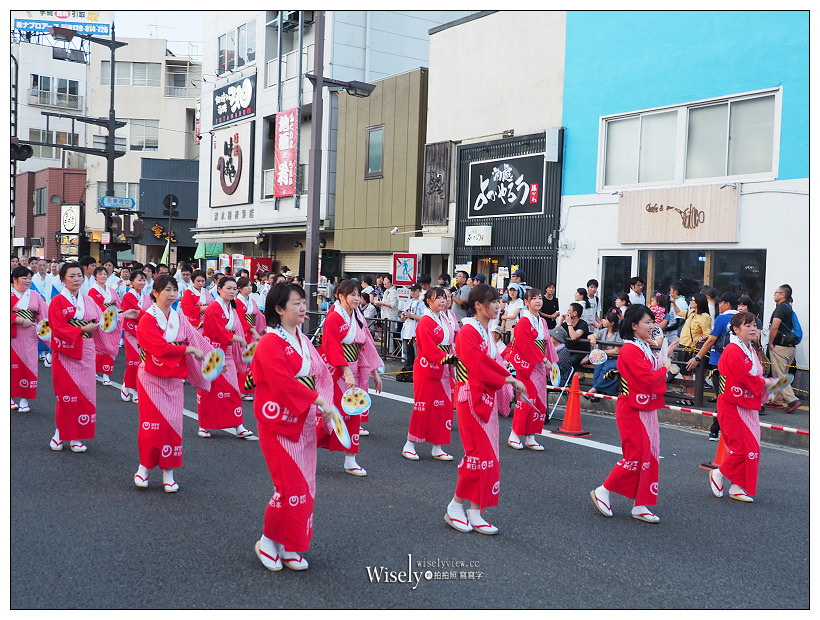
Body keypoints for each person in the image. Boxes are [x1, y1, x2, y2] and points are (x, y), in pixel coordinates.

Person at [251, 282, 336, 572]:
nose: (303, 308)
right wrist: (318, 401)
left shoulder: (302, 338)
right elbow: (282, 383)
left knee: (305, 486)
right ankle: (268, 540)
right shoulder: (270, 342)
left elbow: (321, 373)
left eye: (303, 302)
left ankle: (290, 543)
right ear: (279, 308)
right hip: (278, 422)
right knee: (289, 487)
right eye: (296, 303)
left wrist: (328, 406)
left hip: (303, 421)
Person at [445, 284, 526, 535]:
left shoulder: (485, 330)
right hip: (471, 395)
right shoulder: (468, 331)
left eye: (498, 301)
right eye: (492, 301)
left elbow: (493, 361)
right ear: (478, 304)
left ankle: (475, 510)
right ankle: (456, 505)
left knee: (488, 456)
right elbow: (479, 365)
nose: (498, 305)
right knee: (478, 454)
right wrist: (509, 380)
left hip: (484, 395)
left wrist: (509, 376)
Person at [590, 304, 674, 524]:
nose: (652, 326)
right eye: (647, 322)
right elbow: (646, 379)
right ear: (634, 325)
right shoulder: (630, 348)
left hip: (644, 406)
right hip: (632, 407)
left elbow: (649, 373)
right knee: (636, 455)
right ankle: (604, 490)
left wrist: (665, 355)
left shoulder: (642, 346)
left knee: (649, 454)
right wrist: (665, 367)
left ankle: (641, 503)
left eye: (652, 322)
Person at [133, 275, 212, 493]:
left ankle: (169, 471)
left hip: (174, 376)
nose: (171, 294)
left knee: (173, 424)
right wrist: (186, 350)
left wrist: (213, 360)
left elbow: (197, 340)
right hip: (151, 376)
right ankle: (144, 468)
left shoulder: (179, 317)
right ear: (155, 293)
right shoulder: (148, 318)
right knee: (151, 426)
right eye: (166, 290)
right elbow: (157, 347)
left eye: (174, 290)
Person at [707, 311, 783, 504]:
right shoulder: (733, 350)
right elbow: (743, 378)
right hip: (733, 404)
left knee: (752, 448)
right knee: (742, 448)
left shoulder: (749, 349)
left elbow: (753, 378)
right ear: (735, 329)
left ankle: (737, 486)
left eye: (754, 325)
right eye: (747, 325)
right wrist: (766, 384)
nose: (753, 329)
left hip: (746, 404)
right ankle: (719, 473)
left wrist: (767, 385)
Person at [316, 279, 383, 475]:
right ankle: (305, 448)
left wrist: (375, 372)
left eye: (358, 294)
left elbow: (367, 344)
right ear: (340, 296)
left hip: (354, 368)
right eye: (352, 294)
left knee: (353, 413)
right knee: (330, 413)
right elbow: (333, 346)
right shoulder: (334, 318)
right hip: (336, 371)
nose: (356, 298)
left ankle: (351, 460)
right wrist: (345, 371)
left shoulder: (357, 316)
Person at [48, 262, 115, 453]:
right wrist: (81, 328)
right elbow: (58, 327)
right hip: (65, 352)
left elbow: (101, 319)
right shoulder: (57, 301)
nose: (77, 279)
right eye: (71, 276)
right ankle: (60, 433)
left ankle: (76, 436)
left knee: (84, 394)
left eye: (79, 276)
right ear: (62, 279)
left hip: (86, 349)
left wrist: (121, 314)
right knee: (67, 395)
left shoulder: (87, 300)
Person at [403, 287, 457, 461]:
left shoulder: (446, 318)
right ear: (429, 301)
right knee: (422, 407)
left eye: (444, 298)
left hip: (444, 367)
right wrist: (447, 358)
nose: (442, 301)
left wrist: (451, 357)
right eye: (438, 298)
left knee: (443, 408)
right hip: (428, 368)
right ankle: (409, 444)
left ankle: (437, 446)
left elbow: (451, 342)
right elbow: (427, 348)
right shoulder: (426, 321)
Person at [197, 276, 255, 439]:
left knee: (232, 389)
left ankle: (238, 425)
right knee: (208, 390)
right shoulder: (214, 308)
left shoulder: (233, 308)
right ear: (219, 289)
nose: (232, 291)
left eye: (234, 289)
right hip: (212, 352)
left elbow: (242, 323)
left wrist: (251, 333)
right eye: (228, 288)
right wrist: (238, 339)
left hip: (227, 352)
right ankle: (204, 425)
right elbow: (217, 331)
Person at [505, 288, 558, 450]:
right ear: (526, 302)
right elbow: (525, 344)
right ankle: (515, 433)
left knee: (540, 400)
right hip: (527, 366)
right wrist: (543, 359)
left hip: (539, 365)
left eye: (540, 298)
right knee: (526, 399)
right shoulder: (524, 321)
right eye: (533, 298)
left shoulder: (541, 321)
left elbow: (547, 342)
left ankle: (531, 435)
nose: (538, 301)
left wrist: (551, 361)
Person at [685, 292, 739, 440]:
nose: (718, 306)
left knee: (722, 397)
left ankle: (716, 429)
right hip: (739, 364)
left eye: (720, 303)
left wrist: (697, 357)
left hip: (720, 363)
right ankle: (726, 429)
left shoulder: (722, 319)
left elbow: (710, 341)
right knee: (734, 396)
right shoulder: (744, 318)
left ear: (727, 304)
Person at [11, 266, 49, 413]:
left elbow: (44, 315)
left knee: (29, 366)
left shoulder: (34, 295)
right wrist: (19, 320)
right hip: (12, 336)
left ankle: (24, 399)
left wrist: (47, 330)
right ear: (14, 279)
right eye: (24, 278)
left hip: (30, 336)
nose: (28, 281)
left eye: (29, 278)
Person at [766, 285, 801, 413]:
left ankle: (792, 400)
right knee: (783, 373)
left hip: (780, 347)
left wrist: (770, 342)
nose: (774, 294)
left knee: (779, 375)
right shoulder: (788, 308)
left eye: (776, 292)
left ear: (783, 295)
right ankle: (777, 401)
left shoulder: (780, 308)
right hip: (790, 347)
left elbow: (775, 327)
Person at [120, 270, 153, 402]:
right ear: (132, 282)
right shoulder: (128, 296)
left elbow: (147, 312)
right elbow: (133, 314)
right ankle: (133, 389)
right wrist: (145, 315)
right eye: (139, 280)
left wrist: (144, 315)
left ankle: (130, 385)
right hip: (132, 332)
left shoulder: (146, 297)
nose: (142, 282)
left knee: (142, 362)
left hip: (144, 333)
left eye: (143, 280)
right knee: (133, 361)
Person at [87, 266, 121, 386]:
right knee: (100, 347)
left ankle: (107, 374)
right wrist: (108, 312)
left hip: (113, 319)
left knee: (111, 347)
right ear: (95, 276)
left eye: (105, 274)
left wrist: (116, 313)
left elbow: (117, 303)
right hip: (101, 320)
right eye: (100, 274)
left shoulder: (111, 290)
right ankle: (95, 370)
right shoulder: (92, 291)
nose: (103, 276)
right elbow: (95, 305)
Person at [235, 276, 265, 401]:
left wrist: (262, 330)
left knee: (250, 362)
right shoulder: (236, 302)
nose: (249, 288)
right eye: (247, 286)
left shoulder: (251, 301)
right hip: (243, 333)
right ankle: (241, 390)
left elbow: (258, 316)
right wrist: (253, 331)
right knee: (243, 362)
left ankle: (246, 388)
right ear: (240, 289)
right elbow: (241, 320)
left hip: (252, 333)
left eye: (250, 285)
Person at [585, 309, 623, 400]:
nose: (603, 321)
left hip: (614, 358)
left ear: (612, 322)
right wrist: (592, 338)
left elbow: (616, 351)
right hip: (603, 357)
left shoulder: (618, 333)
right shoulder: (604, 331)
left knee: (607, 369)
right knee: (597, 369)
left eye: (606, 320)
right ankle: (597, 392)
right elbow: (591, 335)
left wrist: (602, 352)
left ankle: (593, 390)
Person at [399, 283, 425, 375]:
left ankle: (416, 371)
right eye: (411, 290)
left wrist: (411, 316)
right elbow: (402, 317)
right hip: (407, 330)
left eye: (415, 290)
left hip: (415, 331)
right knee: (407, 352)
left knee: (416, 353)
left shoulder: (422, 303)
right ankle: (408, 370)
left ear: (419, 291)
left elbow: (423, 318)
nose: (412, 292)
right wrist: (404, 316)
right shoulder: (408, 302)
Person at [556, 302, 591, 368]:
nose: (567, 312)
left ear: (575, 313)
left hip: (580, 352)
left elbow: (574, 337)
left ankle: (567, 377)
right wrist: (560, 320)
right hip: (567, 350)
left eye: (569, 310)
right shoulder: (566, 324)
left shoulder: (583, 324)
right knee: (557, 360)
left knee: (570, 361)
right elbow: (555, 333)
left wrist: (569, 323)